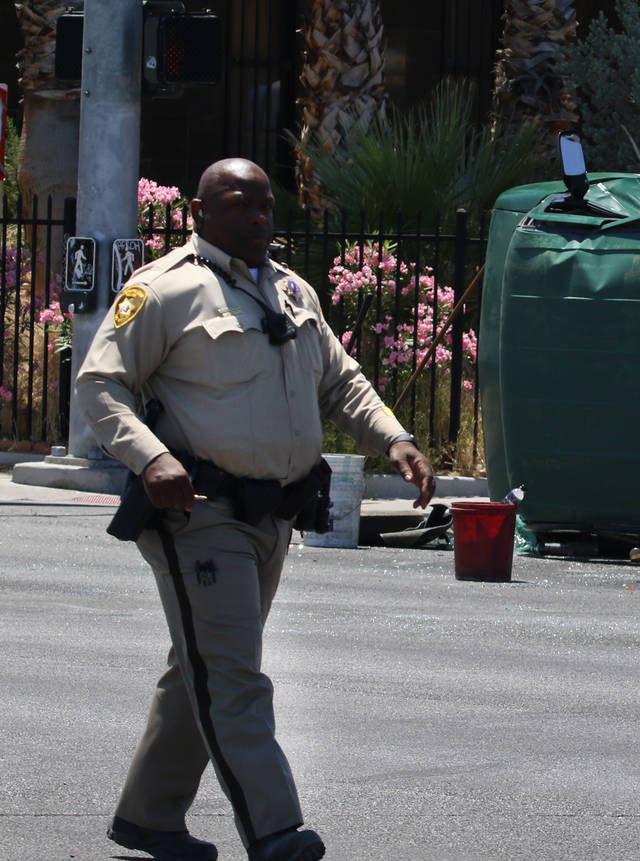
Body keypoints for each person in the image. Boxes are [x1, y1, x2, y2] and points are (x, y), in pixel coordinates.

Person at [76, 158, 437, 861]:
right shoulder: (162, 290)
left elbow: (342, 381)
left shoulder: (292, 289)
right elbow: (100, 385)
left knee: (204, 667)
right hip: (197, 514)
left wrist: (395, 438)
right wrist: (151, 457)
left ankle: (150, 816)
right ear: (201, 214)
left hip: (274, 516)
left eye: (266, 205)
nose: (258, 218)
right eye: (240, 205)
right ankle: (277, 831)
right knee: (234, 675)